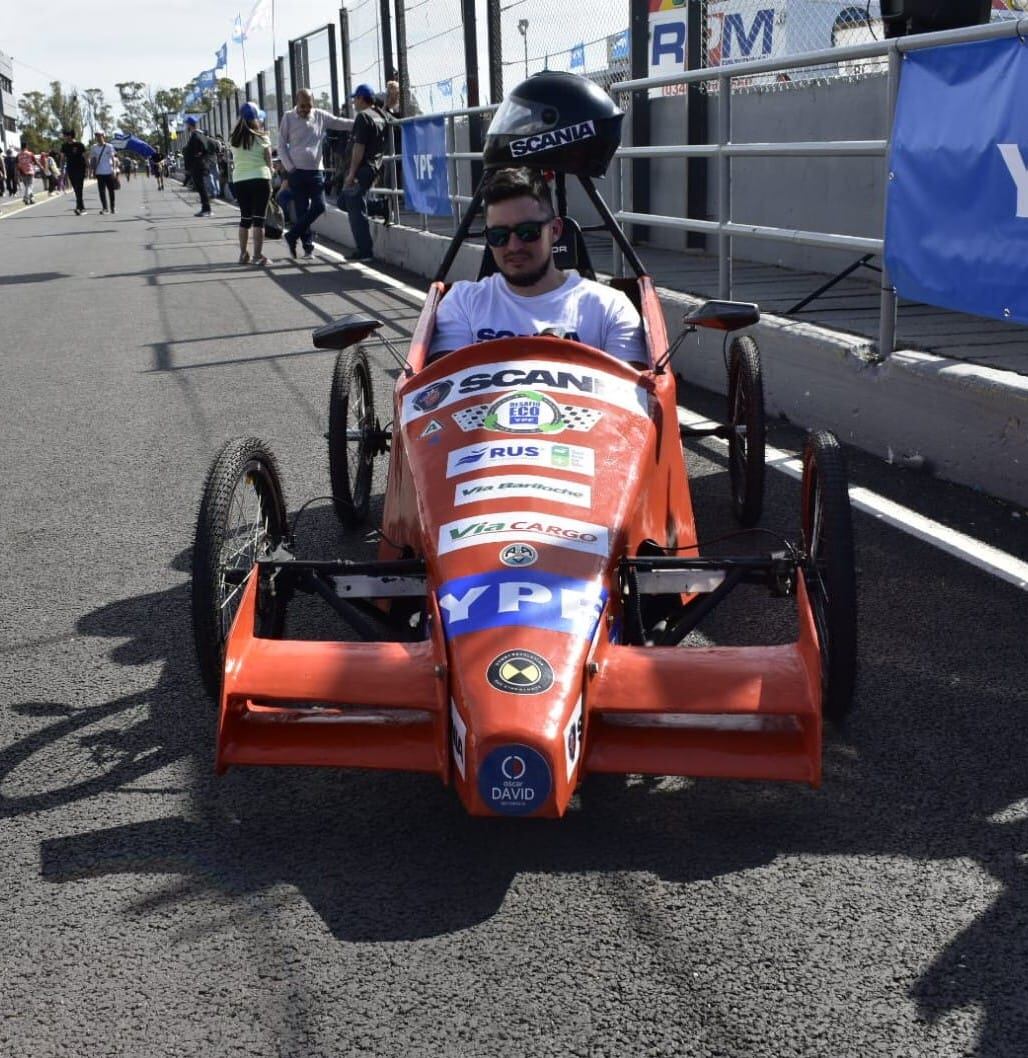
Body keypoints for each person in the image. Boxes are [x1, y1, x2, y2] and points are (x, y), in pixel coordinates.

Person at [429, 167, 646, 366]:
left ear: (555, 231)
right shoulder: (462, 302)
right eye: (499, 236)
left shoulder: (609, 307)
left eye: (528, 232)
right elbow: (439, 392)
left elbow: (634, 397)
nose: (514, 246)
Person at [277, 87, 353, 258]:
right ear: (296, 103)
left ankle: (292, 234)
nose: (305, 109)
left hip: (316, 171)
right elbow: (281, 146)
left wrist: (360, 122)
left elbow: (340, 123)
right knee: (302, 210)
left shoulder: (320, 115)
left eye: (308, 106)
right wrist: (290, 168)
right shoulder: (288, 118)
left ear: (313, 104)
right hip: (296, 172)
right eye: (302, 106)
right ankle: (307, 246)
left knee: (320, 206)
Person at [340, 83, 387, 263]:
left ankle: (365, 251)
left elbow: (358, 148)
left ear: (361, 98)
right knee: (343, 202)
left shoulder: (363, 117)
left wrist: (351, 174)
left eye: (355, 99)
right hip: (374, 166)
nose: (353, 103)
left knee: (354, 209)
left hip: (362, 168)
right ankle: (380, 206)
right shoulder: (379, 115)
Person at [229, 101, 273, 266]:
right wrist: (272, 171)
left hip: (240, 180)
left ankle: (243, 254)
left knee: (245, 219)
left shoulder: (233, 139)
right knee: (259, 219)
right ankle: (257, 256)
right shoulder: (262, 137)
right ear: (256, 118)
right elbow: (268, 160)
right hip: (260, 178)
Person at [182, 116, 213, 216]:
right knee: (201, 187)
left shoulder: (195, 136)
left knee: (201, 187)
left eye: (187, 124)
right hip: (201, 164)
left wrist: (197, 156)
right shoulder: (200, 135)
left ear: (190, 125)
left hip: (197, 165)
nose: (186, 126)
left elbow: (196, 151)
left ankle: (206, 209)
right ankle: (206, 208)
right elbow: (206, 150)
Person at [61, 129, 89, 214]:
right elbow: (62, 158)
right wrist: (62, 169)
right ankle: (82, 207)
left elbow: (85, 157)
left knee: (79, 187)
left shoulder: (79, 145)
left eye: (66, 135)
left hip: (80, 168)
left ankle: (78, 207)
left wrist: (88, 168)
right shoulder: (64, 146)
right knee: (76, 188)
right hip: (70, 169)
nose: (65, 137)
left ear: (70, 136)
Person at [89, 132, 117, 214]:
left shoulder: (109, 146)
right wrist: (91, 171)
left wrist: (114, 170)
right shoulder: (94, 147)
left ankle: (112, 207)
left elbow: (113, 158)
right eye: (96, 136)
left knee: (111, 190)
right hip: (99, 172)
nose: (98, 137)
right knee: (101, 191)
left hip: (109, 171)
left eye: (99, 136)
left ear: (103, 136)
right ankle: (105, 208)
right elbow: (93, 160)